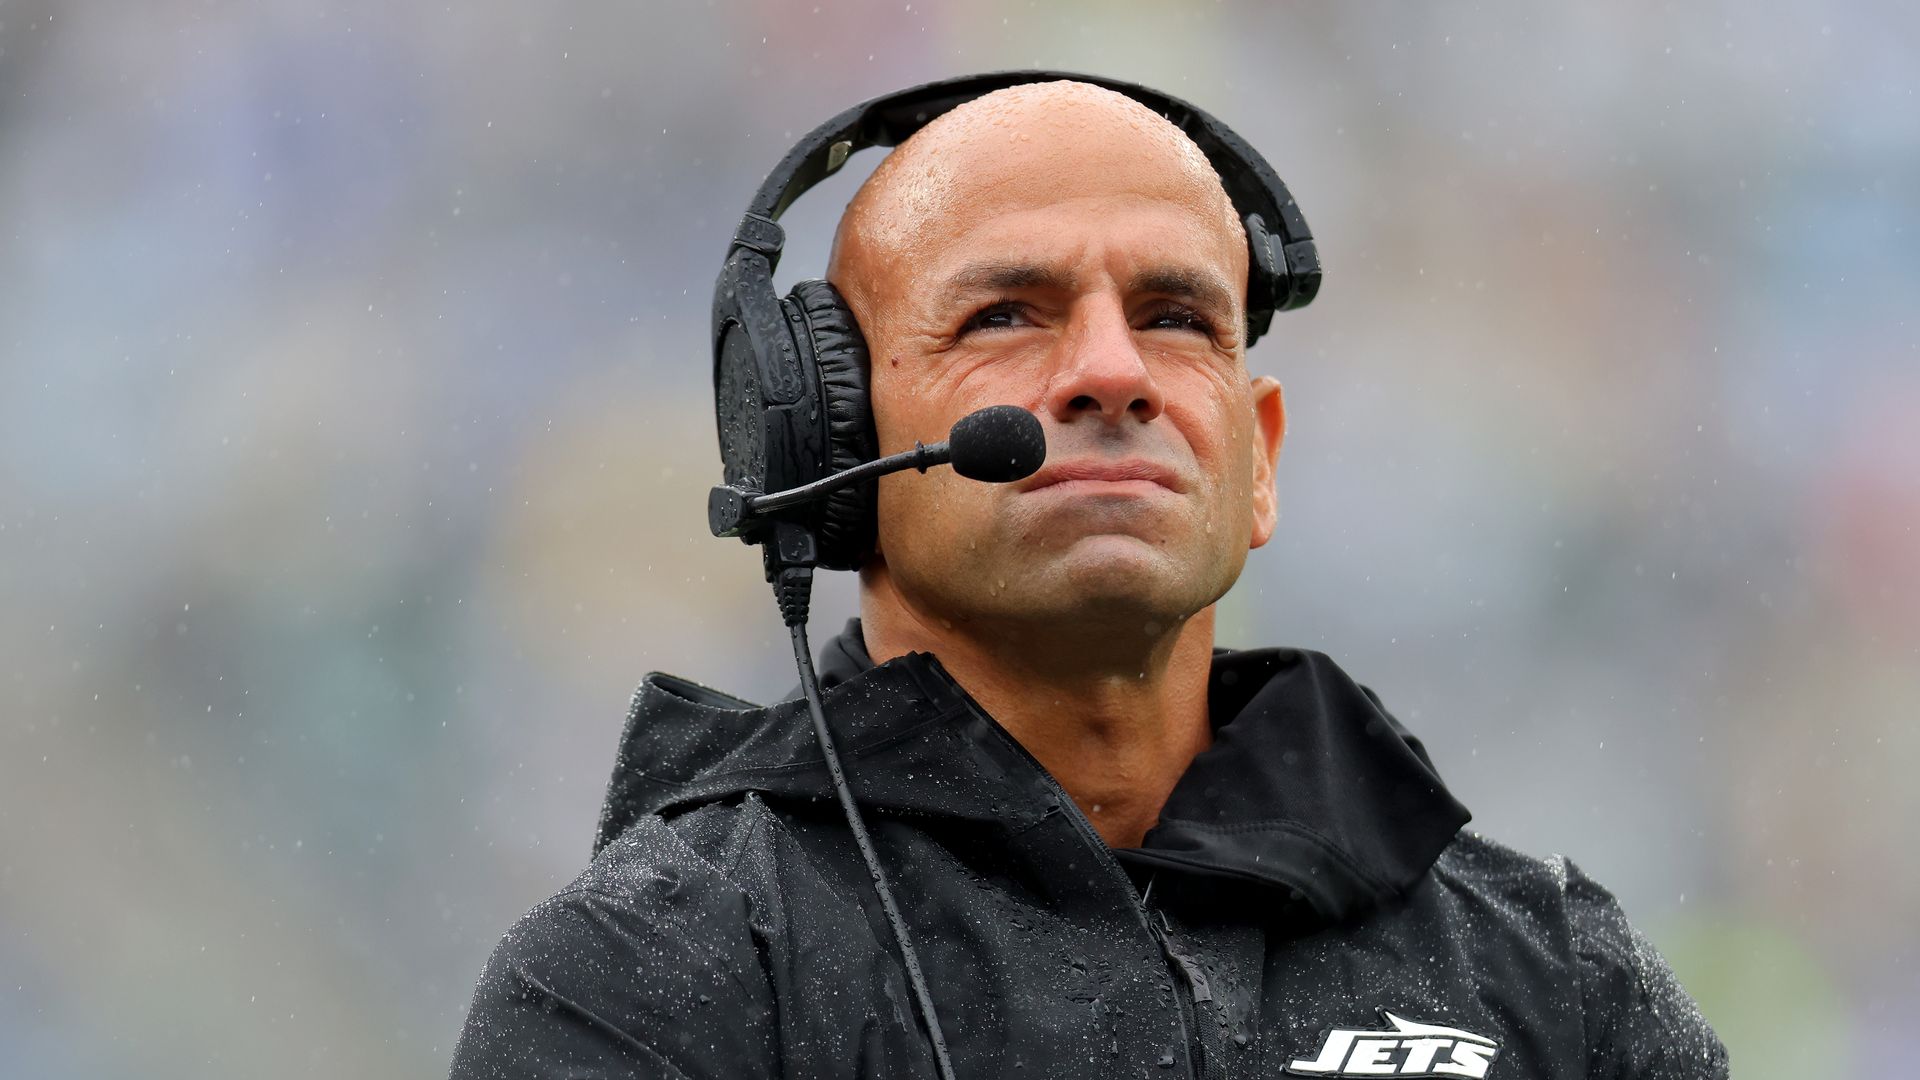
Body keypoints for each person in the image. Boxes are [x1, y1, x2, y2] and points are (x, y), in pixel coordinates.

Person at [450, 78, 1729, 1079]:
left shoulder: (1551, 973)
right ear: (833, 447)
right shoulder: (653, 969)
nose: (1111, 372)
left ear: (1260, 458)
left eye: (1177, 317)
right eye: (1005, 314)